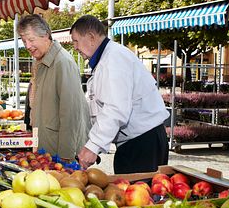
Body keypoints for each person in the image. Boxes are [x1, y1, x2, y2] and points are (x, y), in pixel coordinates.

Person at [70, 15, 169, 173]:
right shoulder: (107, 57)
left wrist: (94, 146)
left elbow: (115, 109)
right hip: (136, 141)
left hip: (142, 142)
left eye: (76, 41)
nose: (75, 47)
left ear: (90, 37)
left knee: (136, 194)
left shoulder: (114, 59)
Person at [17, 14, 89, 160]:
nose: (27, 46)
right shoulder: (39, 62)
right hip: (46, 148)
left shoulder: (62, 63)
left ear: (46, 36)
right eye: (24, 41)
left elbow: (71, 115)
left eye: (31, 40)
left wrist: (66, 157)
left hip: (58, 152)